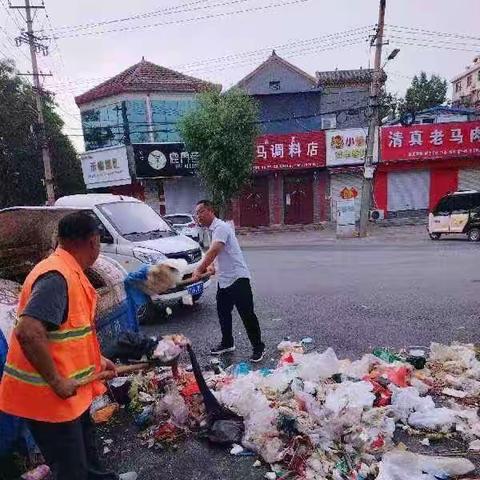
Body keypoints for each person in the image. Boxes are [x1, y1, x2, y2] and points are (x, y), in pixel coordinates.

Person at [0, 212, 137, 480]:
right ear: (94, 241)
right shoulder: (56, 276)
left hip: (71, 395)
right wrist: (56, 381)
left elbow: (72, 336)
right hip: (48, 400)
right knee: (71, 469)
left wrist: (98, 360)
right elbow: (28, 332)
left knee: (86, 449)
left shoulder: (71, 271)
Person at [192, 200, 265, 362]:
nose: (198, 217)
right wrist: (211, 268)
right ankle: (227, 343)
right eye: (196, 214)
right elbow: (217, 255)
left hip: (238, 278)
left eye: (200, 212)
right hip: (225, 280)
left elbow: (215, 249)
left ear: (210, 210)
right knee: (223, 312)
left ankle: (259, 347)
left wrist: (199, 269)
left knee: (247, 314)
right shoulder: (213, 230)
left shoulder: (221, 227)